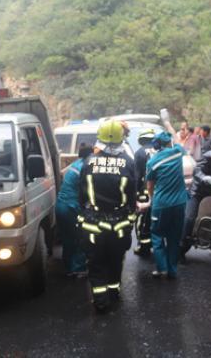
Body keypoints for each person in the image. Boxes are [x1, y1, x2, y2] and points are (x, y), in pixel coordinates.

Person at [78, 119, 136, 312]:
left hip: (93, 224)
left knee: (96, 263)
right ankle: (114, 293)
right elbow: (131, 196)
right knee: (115, 260)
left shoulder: (88, 162)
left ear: (100, 139)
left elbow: (82, 194)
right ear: (121, 139)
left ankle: (101, 302)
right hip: (118, 224)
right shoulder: (128, 162)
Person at [143, 131, 188, 278]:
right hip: (180, 203)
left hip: (161, 204)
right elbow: (179, 141)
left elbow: (150, 185)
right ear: (169, 142)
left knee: (157, 235)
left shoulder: (152, 162)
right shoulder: (177, 152)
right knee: (174, 237)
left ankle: (162, 268)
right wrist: (168, 125)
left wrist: (151, 199)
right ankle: (172, 270)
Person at [56, 144, 93, 278]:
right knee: (80, 237)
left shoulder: (76, 163)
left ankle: (69, 267)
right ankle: (79, 268)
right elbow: (88, 191)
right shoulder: (84, 167)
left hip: (61, 206)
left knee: (68, 239)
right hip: (71, 207)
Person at [133, 128, 156, 256]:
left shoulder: (140, 153)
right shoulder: (160, 151)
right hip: (159, 191)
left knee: (142, 219)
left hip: (145, 191)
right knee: (155, 218)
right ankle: (155, 244)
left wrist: (134, 194)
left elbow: (137, 176)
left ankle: (144, 246)